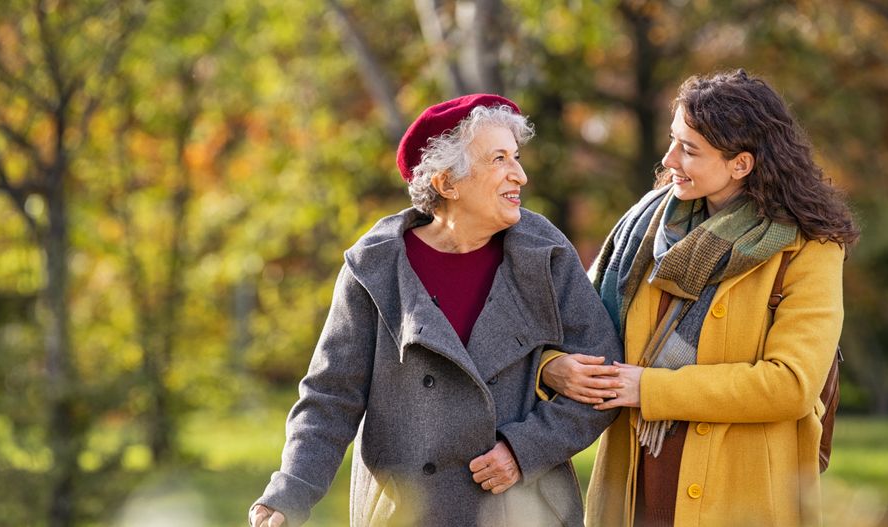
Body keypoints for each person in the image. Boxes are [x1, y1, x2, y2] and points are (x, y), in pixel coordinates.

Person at [249, 94, 622, 527]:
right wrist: (288, 494)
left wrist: (525, 450)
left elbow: (604, 378)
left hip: (523, 508)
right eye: (499, 159)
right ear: (447, 183)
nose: (519, 174)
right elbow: (331, 396)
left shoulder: (545, 253)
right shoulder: (375, 267)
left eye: (516, 157)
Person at [539, 69, 859, 526]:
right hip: (636, 486)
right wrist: (555, 365)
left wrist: (649, 389)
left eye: (689, 150)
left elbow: (789, 384)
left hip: (740, 494)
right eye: (673, 140)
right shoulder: (645, 231)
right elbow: (574, 326)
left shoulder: (809, 248)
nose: (669, 159)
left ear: (740, 164)